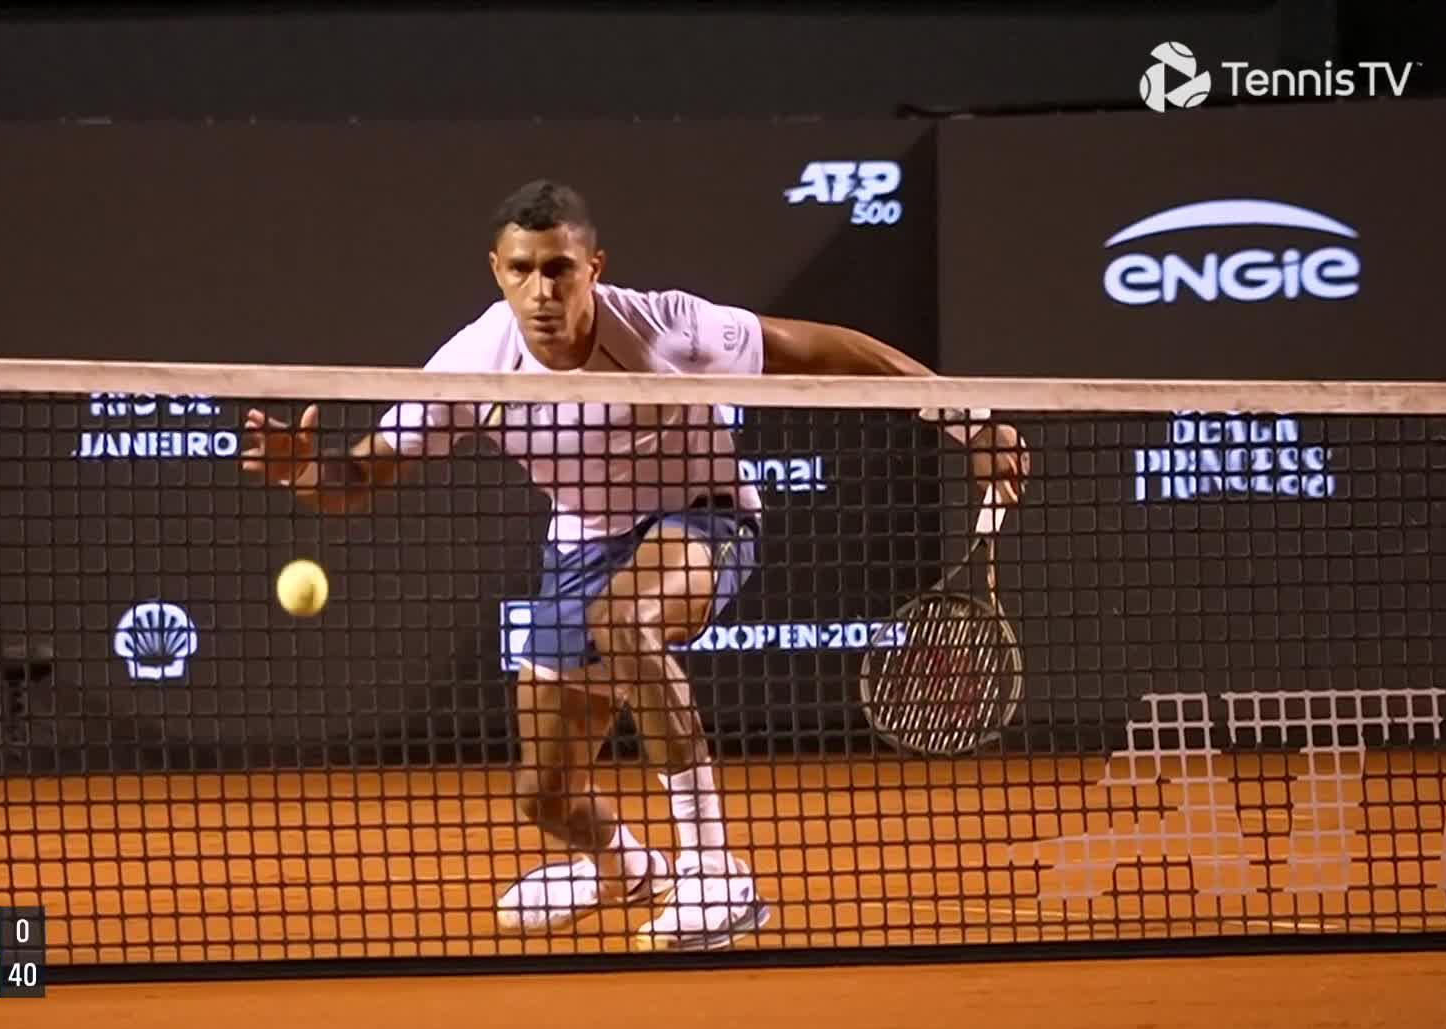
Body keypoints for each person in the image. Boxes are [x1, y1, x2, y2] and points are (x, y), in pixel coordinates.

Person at [241, 179, 1028, 951]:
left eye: (559, 268)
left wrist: (969, 419)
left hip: (704, 517)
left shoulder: (668, 329)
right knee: (545, 797)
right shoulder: (472, 361)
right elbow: (363, 472)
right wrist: (302, 472)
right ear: (497, 272)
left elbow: (825, 349)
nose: (542, 290)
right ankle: (626, 870)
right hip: (580, 546)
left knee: (623, 621)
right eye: (522, 270)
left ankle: (714, 872)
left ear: (594, 267)